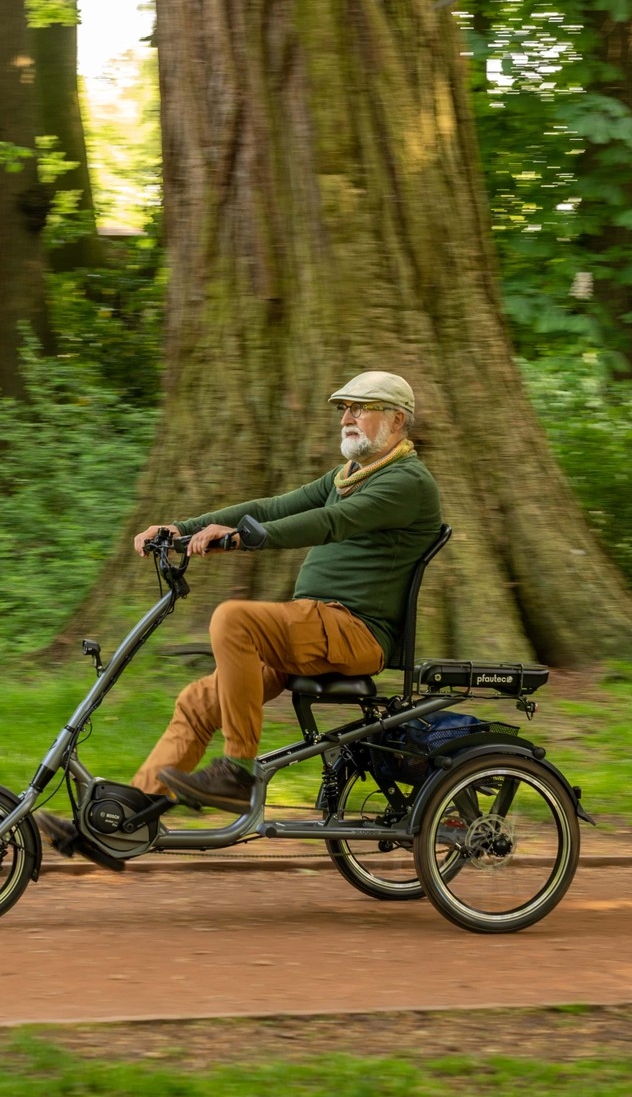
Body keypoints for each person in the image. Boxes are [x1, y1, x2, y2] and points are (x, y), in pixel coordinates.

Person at [38, 371, 442, 870]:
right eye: (344, 408)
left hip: (354, 629)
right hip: (314, 628)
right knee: (198, 701)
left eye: (360, 408)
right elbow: (270, 506)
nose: (347, 418)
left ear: (397, 419)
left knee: (234, 619)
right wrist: (182, 529)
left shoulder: (406, 481)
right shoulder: (348, 476)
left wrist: (244, 538)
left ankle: (237, 770)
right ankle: (129, 820)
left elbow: (329, 523)